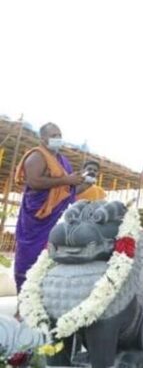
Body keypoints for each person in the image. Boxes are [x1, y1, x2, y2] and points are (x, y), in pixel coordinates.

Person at [13, 122, 84, 291]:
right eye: (53, 136)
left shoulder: (62, 160)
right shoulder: (37, 156)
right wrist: (66, 180)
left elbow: (65, 190)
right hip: (37, 218)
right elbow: (34, 182)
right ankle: (23, 300)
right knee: (30, 256)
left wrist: (79, 182)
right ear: (43, 138)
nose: (58, 139)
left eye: (59, 135)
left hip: (56, 218)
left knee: (51, 258)